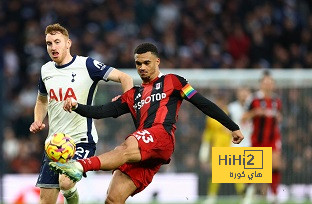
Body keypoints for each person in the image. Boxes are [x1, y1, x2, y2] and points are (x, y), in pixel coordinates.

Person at [50, 43, 244, 204]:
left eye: (146, 63)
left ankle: (80, 166)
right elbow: (101, 112)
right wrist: (77, 106)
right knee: (112, 199)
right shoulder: (132, 95)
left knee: (125, 147)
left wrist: (232, 126)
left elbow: (203, 103)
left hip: (161, 136)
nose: (142, 67)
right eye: (138, 64)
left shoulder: (174, 81)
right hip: (145, 151)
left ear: (157, 62)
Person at [29, 23, 133, 204]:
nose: (53, 47)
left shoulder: (87, 65)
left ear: (68, 43)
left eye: (57, 42)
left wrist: (126, 101)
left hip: (81, 140)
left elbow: (126, 78)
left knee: (66, 181)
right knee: (45, 201)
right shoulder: (46, 70)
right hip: (54, 144)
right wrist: (38, 119)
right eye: (48, 43)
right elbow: (41, 100)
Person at [242, 71, 282, 203]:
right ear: (261, 84)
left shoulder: (277, 101)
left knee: (275, 164)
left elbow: (280, 118)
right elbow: (244, 117)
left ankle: (274, 195)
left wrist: (278, 117)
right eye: (266, 82)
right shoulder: (253, 99)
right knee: (254, 170)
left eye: (270, 82)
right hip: (256, 139)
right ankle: (248, 193)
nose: (268, 85)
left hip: (272, 138)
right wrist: (255, 113)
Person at [199, 96, 245, 204]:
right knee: (216, 174)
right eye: (218, 101)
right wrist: (205, 146)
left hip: (230, 146)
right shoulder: (211, 116)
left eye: (221, 100)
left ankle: (243, 196)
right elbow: (208, 132)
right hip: (217, 147)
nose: (219, 103)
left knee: (236, 173)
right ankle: (212, 197)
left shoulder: (229, 113)